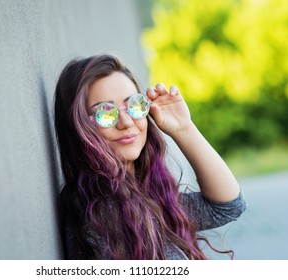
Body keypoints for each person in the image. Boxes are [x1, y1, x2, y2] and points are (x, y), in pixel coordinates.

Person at [54, 54, 246, 260]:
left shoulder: (146, 196)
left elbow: (227, 207)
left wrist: (184, 128)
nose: (126, 122)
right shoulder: (100, 210)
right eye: (105, 113)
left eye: (134, 105)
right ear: (78, 127)